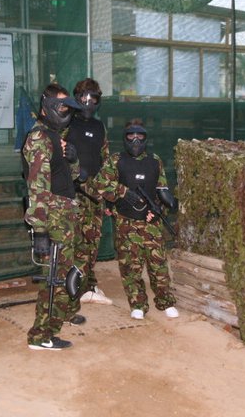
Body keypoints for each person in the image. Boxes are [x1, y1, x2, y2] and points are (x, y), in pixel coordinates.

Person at [21, 82, 86, 351]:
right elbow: (37, 187)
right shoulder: (40, 138)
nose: (66, 113)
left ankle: (52, 327)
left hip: (65, 215)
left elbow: (73, 177)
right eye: (61, 107)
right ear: (47, 107)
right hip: (53, 216)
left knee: (65, 275)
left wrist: (73, 158)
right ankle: (40, 336)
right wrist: (39, 230)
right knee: (54, 279)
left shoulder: (54, 137)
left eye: (68, 108)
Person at [93, 118, 178, 320]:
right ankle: (137, 304)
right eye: (131, 135)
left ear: (146, 137)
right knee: (130, 267)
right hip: (126, 223)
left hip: (151, 223)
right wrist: (123, 192)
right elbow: (99, 184)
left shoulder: (154, 161)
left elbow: (162, 189)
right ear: (125, 137)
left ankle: (165, 302)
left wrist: (161, 208)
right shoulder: (116, 160)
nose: (136, 140)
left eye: (140, 135)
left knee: (158, 266)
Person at [65, 78, 113, 305]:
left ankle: (88, 284)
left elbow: (106, 160)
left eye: (93, 98)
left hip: (95, 193)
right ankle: (75, 287)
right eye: (84, 97)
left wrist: (107, 193)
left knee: (92, 241)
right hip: (72, 193)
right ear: (76, 98)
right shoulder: (66, 124)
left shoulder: (98, 127)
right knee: (77, 242)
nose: (88, 102)